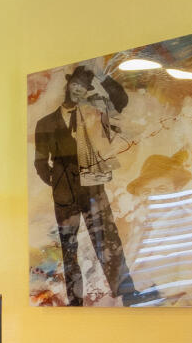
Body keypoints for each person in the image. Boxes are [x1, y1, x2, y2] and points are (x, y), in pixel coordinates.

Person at [32, 64, 145, 305]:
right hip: (64, 190)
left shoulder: (93, 114)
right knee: (69, 248)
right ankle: (75, 300)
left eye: (83, 89)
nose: (78, 92)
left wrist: (101, 76)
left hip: (92, 185)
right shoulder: (45, 123)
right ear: (67, 86)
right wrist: (56, 181)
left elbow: (120, 101)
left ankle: (127, 293)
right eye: (75, 86)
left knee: (108, 240)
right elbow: (41, 163)